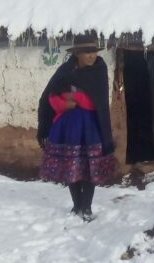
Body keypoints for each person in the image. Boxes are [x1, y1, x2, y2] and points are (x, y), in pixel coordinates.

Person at [37, 34, 116, 221]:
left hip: (91, 127)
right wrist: (65, 104)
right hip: (67, 127)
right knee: (71, 165)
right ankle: (77, 205)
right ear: (77, 54)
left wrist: (75, 98)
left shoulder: (99, 70)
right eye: (86, 52)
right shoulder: (65, 70)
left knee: (90, 166)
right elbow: (50, 97)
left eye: (93, 52)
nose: (91, 56)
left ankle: (87, 207)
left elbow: (96, 102)